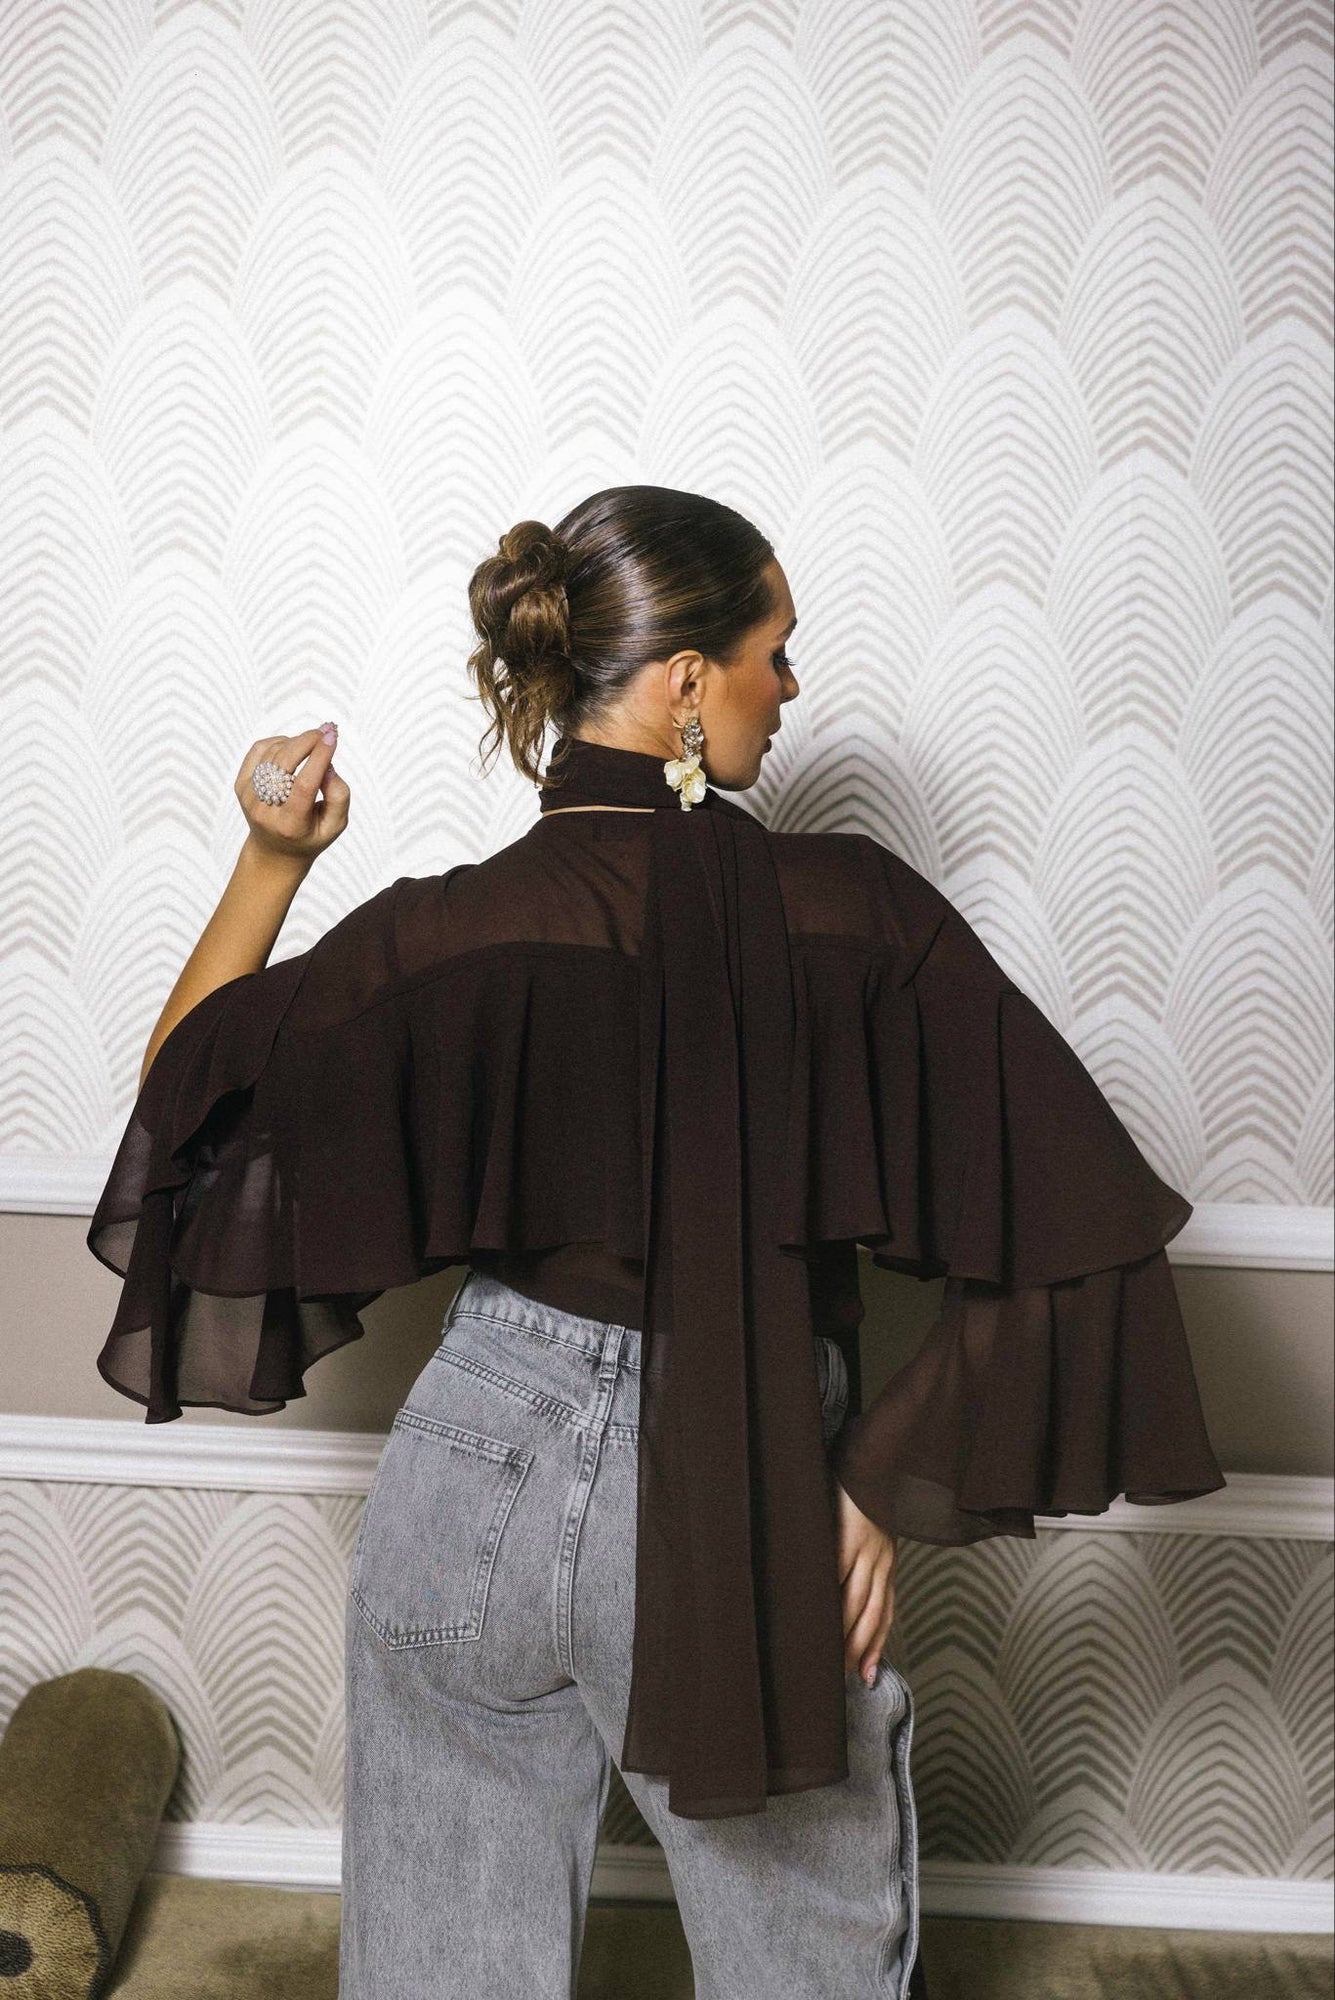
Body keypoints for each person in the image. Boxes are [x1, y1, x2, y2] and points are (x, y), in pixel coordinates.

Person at [87, 486, 1225, 2000]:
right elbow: (1088, 1221)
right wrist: (876, 1478)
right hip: (741, 1475)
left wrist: (271, 854)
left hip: (471, 1467)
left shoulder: (459, 928)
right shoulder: (856, 917)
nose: (791, 688)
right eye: (776, 650)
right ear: (689, 681)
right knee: (802, 1965)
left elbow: (183, 1099)